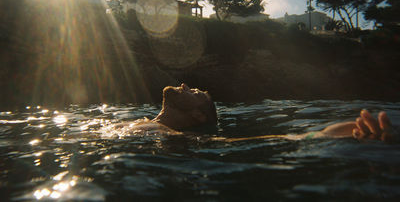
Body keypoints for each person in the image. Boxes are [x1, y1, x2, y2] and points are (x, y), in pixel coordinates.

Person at [109, 83, 397, 142]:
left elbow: (293, 138)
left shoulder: (174, 137)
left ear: (198, 117)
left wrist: (348, 129)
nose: (185, 85)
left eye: (196, 94)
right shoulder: (143, 122)